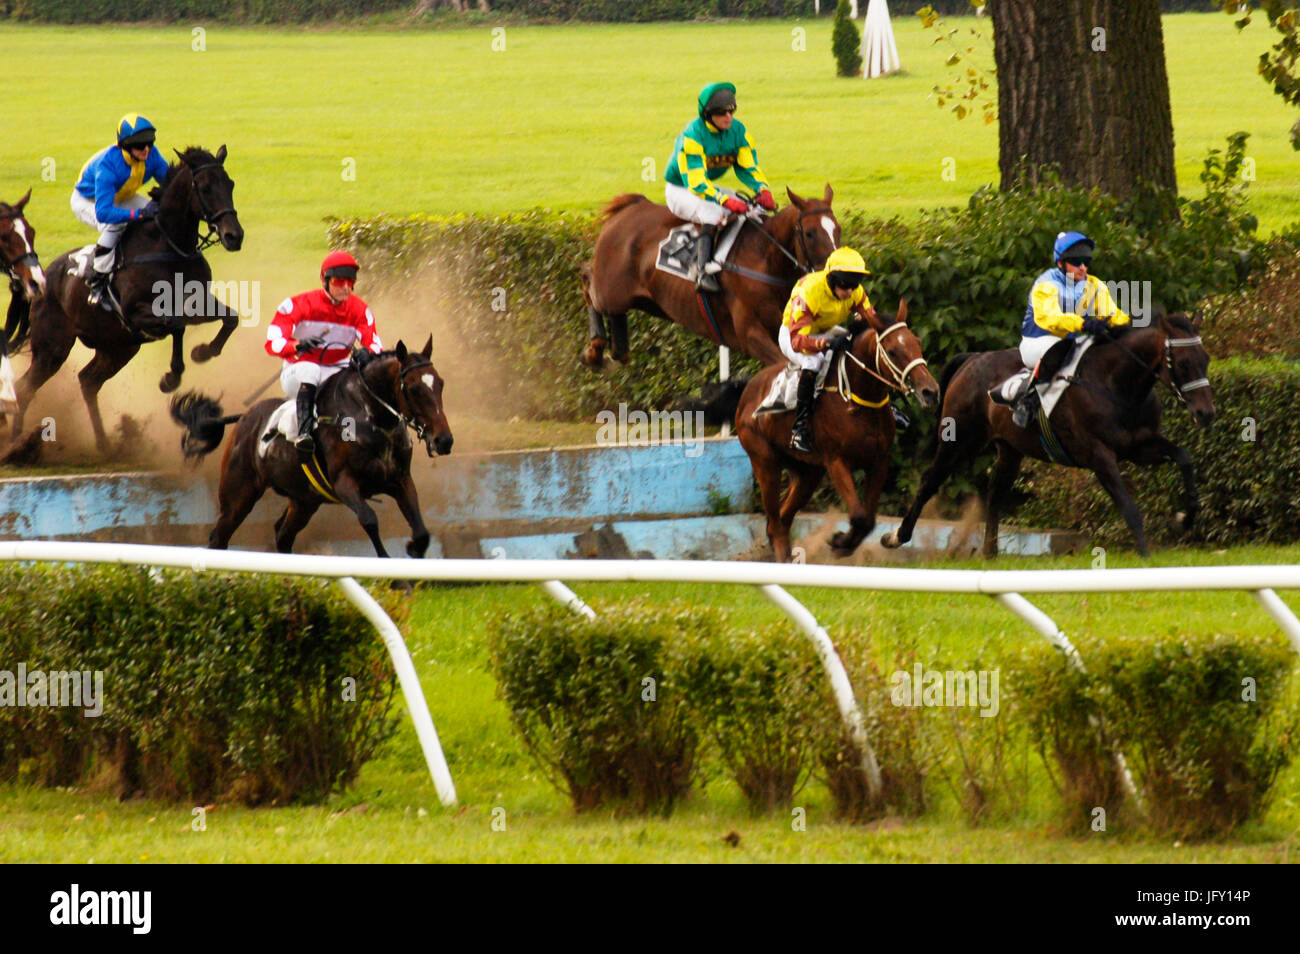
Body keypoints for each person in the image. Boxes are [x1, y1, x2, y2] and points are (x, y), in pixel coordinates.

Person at [265, 251, 383, 458]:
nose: (346, 287)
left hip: (337, 370)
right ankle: (304, 433)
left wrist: (367, 353)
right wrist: (297, 345)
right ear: (325, 280)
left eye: (350, 281)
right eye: (339, 281)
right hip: (297, 371)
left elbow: (373, 342)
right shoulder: (297, 304)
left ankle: (356, 442)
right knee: (310, 370)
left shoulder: (360, 310)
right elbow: (273, 342)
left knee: (358, 385)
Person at [1007, 231, 1131, 428]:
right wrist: (1083, 324)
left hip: (1070, 341)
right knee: (1059, 348)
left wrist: (1127, 325)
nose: (1083, 267)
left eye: (1086, 261)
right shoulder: (1046, 285)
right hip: (1038, 341)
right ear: (1060, 263)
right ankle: (1027, 402)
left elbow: (1111, 313)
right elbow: (1050, 318)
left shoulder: (1092, 284)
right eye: (1076, 261)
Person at [665, 81, 776, 293]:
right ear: (707, 115)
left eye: (731, 111)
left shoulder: (738, 131)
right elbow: (696, 182)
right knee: (712, 211)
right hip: (681, 189)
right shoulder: (693, 136)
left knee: (754, 210)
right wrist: (725, 200)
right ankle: (702, 271)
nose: (728, 117)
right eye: (721, 113)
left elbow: (748, 167)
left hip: (706, 186)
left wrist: (763, 190)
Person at [779, 246, 877, 453]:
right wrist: (827, 344)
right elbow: (798, 341)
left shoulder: (854, 290)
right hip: (793, 333)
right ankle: (800, 428)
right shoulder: (808, 293)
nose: (850, 291)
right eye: (845, 285)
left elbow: (872, 318)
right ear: (832, 278)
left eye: (854, 285)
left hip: (824, 329)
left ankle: (885, 407)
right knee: (814, 361)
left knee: (859, 344)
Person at [71, 114, 170, 309]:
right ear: (125, 145)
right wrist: (137, 215)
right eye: (140, 145)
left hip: (122, 195)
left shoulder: (152, 156)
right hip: (88, 201)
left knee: (160, 215)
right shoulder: (108, 166)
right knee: (115, 224)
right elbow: (104, 212)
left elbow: (170, 182)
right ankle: (97, 279)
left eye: (149, 143)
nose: (146, 149)